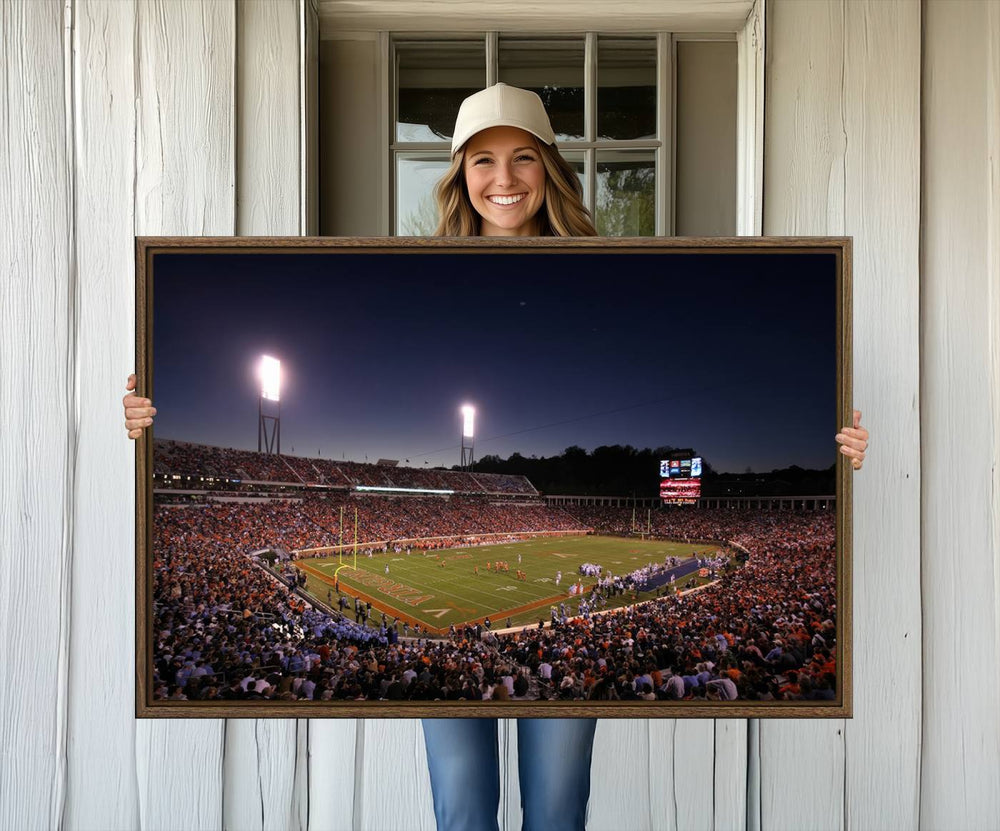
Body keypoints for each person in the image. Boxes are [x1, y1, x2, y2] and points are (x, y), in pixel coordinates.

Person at [123, 82, 870, 831]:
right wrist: (150, 417)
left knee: (555, 807)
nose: (503, 179)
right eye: (483, 160)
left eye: (522, 158)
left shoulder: (605, 271)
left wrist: (835, 446)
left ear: (549, 167)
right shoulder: (421, 273)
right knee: (463, 807)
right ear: (459, 174)